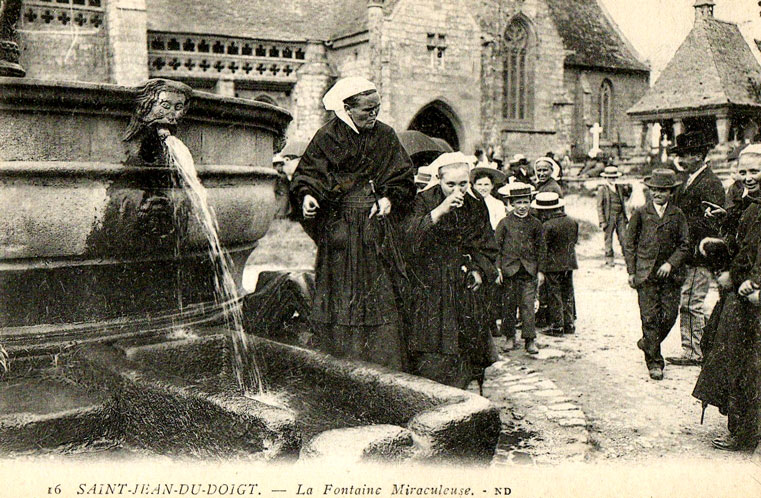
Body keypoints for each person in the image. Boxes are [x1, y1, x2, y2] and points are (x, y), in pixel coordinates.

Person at [289, 76, 415, 371]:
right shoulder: (327, 137)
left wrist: (389, 199)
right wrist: (308, 196)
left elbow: (402, 175)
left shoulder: (385, 135)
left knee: (380, 293)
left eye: (377, 108)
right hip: (341, 228)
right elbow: (308, 175)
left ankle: (385, 364)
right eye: (366, 110)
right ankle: (342, 363)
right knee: (341, 293)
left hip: (375, 227)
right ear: (346, 109)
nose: (373, 115)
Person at [404, 154, 499, 389]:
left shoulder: (476, 204)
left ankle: (465, 387)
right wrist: (439, 211)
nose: (458, 190)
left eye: (463, 184)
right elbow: (408, 238)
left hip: (462, 279)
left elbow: (486, 243)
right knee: (432, 337)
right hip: (430, 280)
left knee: (468, 335)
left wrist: (478, 269)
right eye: (451, 185)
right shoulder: (422, 201)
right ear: (439, 180)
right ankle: (432, 387)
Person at [693, 145, 761, 452]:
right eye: (743, 171)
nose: (748, 178)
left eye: (755, 171)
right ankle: (743, 428)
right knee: (729, 356)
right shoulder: (751, 204)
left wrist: (748, 280)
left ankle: (744, 434)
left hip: (749, 298)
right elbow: (743, 242)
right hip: (741, 295)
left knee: (741, 363)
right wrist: (724, 224)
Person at [624, 169, 689, 381]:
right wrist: (632, 271)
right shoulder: (641, 213)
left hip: (671, 276)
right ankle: (654, 362)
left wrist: (671, 263)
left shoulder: (677, 215)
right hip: (646, 274)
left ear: (671, 192)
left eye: (663, 190)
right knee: (649, 317)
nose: (658, 194)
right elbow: (629, 244)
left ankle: (647, 343)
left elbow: (684, 244)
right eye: (654, 190)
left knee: (669, 315)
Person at [667, 131, 725, 367]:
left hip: (698, 255)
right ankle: (702, 345)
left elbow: (711, 224)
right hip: (686, 254)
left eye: (687, 154)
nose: (682, 160)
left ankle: (695, 351)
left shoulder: (710, 183)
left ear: (700, 155)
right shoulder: (688, 181)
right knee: (690, 301)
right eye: (680, 154)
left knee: (691, 302)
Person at [495, 182, 546, 354]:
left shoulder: (536, 224)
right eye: (518, 202)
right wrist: (498, 269)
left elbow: (542, 249)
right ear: (511, 203)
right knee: (508, 305)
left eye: (525, 202)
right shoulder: (504, 223)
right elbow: (497, 248)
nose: (522, 206)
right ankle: (510, 338)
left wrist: (540, 271)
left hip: (529, 271)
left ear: (530, 202)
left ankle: (530, 340)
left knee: (528, 305)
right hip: (509, 270)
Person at [534, 192, 578, 336]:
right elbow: (574, 241)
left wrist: (540, 267)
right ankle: (569, 324)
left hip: (552, 266)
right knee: (568, 293)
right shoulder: (572, 221)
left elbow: (543, 248)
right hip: (569, 263)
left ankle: (557, 326)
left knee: (555, 295)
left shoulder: (547, 226)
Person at [596, 165, 632, 266]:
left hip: (620, 216)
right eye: (610, 177)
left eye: (614, 177)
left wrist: (629, 187)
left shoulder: (619, 187)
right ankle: (609, 259)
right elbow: (599, 206)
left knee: (624, 237)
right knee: (608, 238)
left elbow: (628, 194)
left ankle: (627, 258)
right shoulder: (602, 189)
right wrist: (602, 220)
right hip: (609, 217)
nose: (612, 179)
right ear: (606, 178)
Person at [471, 162, 507, 230]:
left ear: (492, 186)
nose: (483, 188)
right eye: (479, 184)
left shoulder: (498, 204)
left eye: (486, 184)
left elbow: (500, 227)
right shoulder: (469, 202)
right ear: (474, 186)